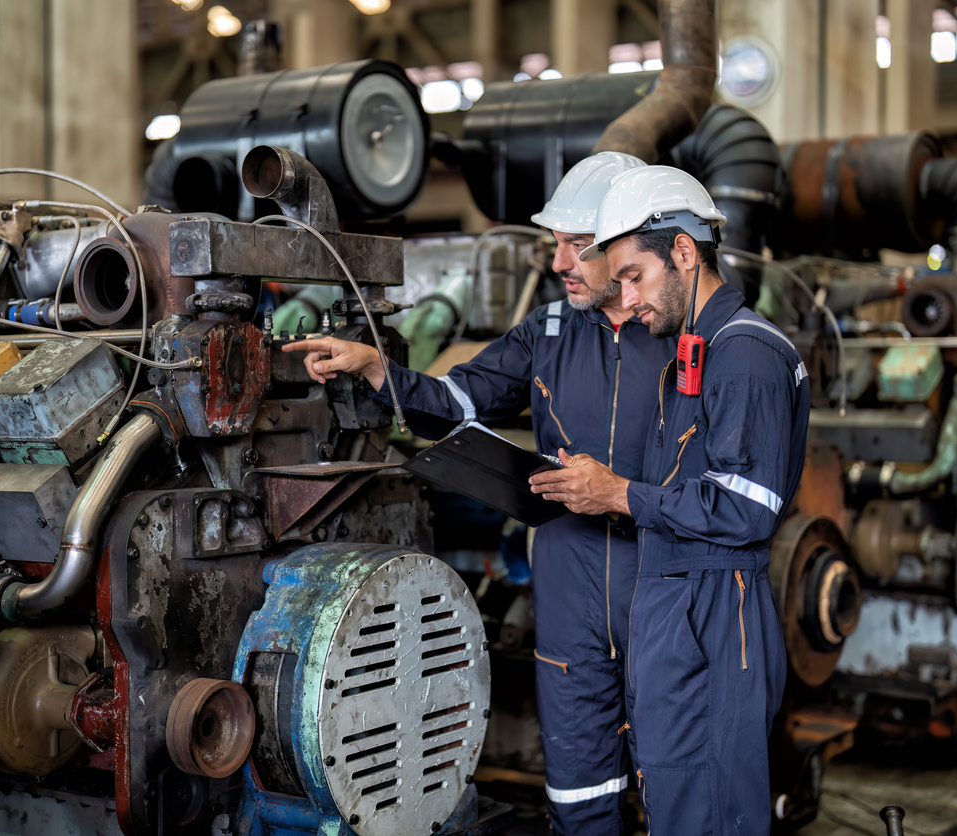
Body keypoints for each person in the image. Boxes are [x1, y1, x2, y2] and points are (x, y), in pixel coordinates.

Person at [284, 152, 673, 835]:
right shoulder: (547, 333)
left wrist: (621, 493)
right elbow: (460, 398)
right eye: (556, 245)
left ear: (628, 243)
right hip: (569, 586)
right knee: (581, 786)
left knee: (673, 777)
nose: (559, 264)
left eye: (577, 247)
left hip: (664, 585)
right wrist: (381, 368)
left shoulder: (684, 337)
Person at [529, 166, 808, 836]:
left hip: (714, 620)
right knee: (676, 803)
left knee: (706, 811)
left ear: (684, 252)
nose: (624, 296)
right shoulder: (694, 349)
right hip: (678, 616)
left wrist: (617, 493)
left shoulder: (744, 353)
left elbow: (745, 508)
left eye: (634, 277)